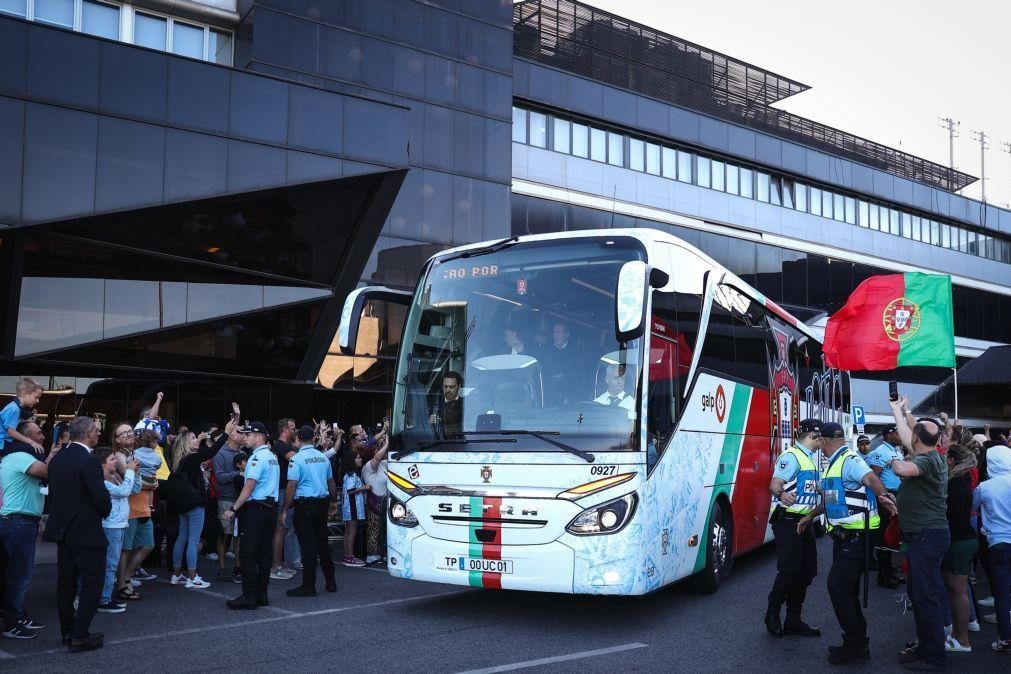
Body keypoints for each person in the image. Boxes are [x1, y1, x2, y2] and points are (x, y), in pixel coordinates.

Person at [797, 422, 896, 665]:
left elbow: (872, 478)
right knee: (846, 589)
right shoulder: (834, 464)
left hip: (856, 537)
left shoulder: (850, 459)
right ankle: (856, 641)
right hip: (844, 538)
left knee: (838, 588)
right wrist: (810, 516)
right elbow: (832, 500)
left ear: (823, 441)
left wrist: (884, 498)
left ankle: (857, 644)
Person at [887, 397, 950, 671]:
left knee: (925, 598)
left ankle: (935, 657)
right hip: (923, 536)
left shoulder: (928, 461)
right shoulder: (929, 451)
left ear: (917, 440)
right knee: (919, 594)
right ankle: (926, 647)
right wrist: (901, 412)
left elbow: (902, 468)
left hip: (927, 536)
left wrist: (891, 459)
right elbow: (911, 433)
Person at [43, 417, 112, 653]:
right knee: (92, 582)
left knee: (66, 582)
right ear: (89, 433)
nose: (99, 435)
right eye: (96, 431)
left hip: (63, 529)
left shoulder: (58, 458)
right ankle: (81, 634)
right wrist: (105, 509)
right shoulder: (88, 460)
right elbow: (99, 496)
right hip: (86, 530)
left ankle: (68, 631)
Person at [765, 418, 823, 638]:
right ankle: (772, 614)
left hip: (806, 521)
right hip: (788, 521)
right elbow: (775, 484)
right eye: (821, 437)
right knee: (789, 571)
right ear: (813, 436)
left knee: (807, 571)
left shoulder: (809, 458)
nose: (823, 442)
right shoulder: (791, 457)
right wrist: (781, 494)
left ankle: (793, 620)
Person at [0, 420, 58, 639]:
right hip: (18, 523)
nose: (42, 436)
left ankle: (16, 615)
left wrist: (51, 455)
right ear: (26, 437)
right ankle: (13, 622)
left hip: (17, 521)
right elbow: (46, 472)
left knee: (12, 573)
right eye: (38, 433)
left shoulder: (16, 457)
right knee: (19, 575)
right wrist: (57, 457)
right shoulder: (20, 457)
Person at [223, 422, 279, 610]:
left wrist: (234, 508)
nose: (244, 438)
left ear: (259, 437)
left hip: (256, 509)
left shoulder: (256, 459)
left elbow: (249, 486)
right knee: (264, 555)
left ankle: (249, 596)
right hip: (270, 508)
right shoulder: (271, 456)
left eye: (248, 435)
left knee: (247, 554)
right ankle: (262, 595)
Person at [169, 426, 229, 590]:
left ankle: (176, 574)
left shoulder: (180, 461)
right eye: (194, 438)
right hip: (195, 504)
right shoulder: (191, 459)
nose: (197, 439)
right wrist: (226, 434)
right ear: (187, 444)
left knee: (183, 537)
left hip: (183, 505)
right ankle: (192, 577)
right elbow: (211, 452)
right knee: (193, 540)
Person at [282, 425, 338, 596]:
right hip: (321, 504)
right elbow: (331, 483)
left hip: (305, 506)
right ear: (314, 439)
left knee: (308, 546)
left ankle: (308, 585)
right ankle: (331, 582)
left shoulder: (296, 460)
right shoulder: (323, 458)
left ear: (298, 438)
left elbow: (292, 485)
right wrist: (334, 502)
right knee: (322, 543)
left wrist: (285, 509)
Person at [973, 442, 1011, 653]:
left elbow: (972, 509)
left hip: (997, 543)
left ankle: (1005, 639)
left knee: (1002, 593)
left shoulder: (984, 487)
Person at [940, 444, 978, 654]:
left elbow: (953, 517)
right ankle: (958, 636)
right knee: (957, 591)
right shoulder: (962, 480)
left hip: (959, 541)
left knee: (957, 591)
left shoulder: (956, 483)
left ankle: (962, 639)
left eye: (946, 458)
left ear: (952, 460)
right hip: (963, 540)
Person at [96, 448, 137, 614]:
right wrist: (130, 471)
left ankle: (105, 596)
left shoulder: (115, 476)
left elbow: (132, 488)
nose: (115, 461)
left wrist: (134, 473)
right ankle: (103, 599)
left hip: (118, 524)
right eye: (112, 459)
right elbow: (124, 491)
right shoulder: (102, 480)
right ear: (102, 463)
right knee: (110, 563)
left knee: (111, 562)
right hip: (110, 525)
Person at [864, 425, 905, 589]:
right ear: (888, 436)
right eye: (897, 433)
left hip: (896, 497)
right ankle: (884, 575)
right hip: (886, 498)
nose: (900, 436)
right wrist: (884, 498)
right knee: (884, 538)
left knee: (892, 537)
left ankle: (889, 570)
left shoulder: (895, 451)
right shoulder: (882, 451)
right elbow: (874, 478)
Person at [212, 404, 243, 581]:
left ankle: (238, 566)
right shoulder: (219, 453)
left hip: (240, 498)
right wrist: (238, 473)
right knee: (225, 533)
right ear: (232, 435)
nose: (243, 435)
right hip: (226, 498)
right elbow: (220, 476)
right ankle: (222, 567)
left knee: (238, 534)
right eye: (240, 433)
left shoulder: (240, 452)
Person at [271, 418, 300, 581]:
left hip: (286, 490)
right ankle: (276, 567)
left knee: (285, 528)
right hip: (282, 490)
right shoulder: (280, 445)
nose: (295, 430)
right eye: (293, 428)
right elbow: (296, 460)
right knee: (280, 528)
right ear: (285, 430)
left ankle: (281, 564)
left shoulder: (286, 446)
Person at [362, 434, 390, 566]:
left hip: (385, 502)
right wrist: (386, 444)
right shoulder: (368, 467)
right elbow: (377, 457)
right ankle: (371, 554)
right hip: (375, 502)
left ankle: (380, 552)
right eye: (376, 450)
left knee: (382, 530)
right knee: (373, 530)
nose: (379, 451)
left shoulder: (383, 465)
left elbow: (389, 457)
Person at [0, 379, 44, 454]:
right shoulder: (14, 409)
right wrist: (31, 442)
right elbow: (11, 432)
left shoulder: (15, 407)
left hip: (6, 441)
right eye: (36, 397)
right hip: (2, 443)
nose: (38, 401)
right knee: (32, 449)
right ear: (24, 394)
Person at [341, 451, 368, 567]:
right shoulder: (352, 475)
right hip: (352, 507)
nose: (360, 459)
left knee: (348, 531)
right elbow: (351, 490)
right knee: (352, 531)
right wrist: (364, 487)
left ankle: (347, 555)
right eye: (358, 458)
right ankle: (350, 557)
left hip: (349, 507)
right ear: (352, 461)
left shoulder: (349, 474)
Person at [430, 372, 464, 438]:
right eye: (445, 386)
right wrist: (430, 421)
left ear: (459, 386)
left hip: (462, 442)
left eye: (451, 387)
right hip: (440, 442)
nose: (447, 390)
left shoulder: (465, 405)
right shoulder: (435, 405)